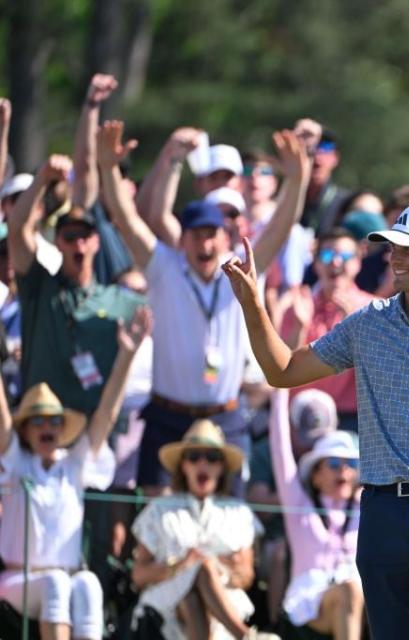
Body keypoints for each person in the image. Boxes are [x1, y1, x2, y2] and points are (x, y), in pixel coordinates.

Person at [222, 203, 409, 639]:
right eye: (390, 248)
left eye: (408, 249)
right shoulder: (367, 324)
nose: (394, 257)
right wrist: (252, 304)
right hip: (383, 513)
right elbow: (282, 371)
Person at [96, 120, 309, 493]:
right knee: (156, 512)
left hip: (224, 416)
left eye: (212, 236)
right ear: (184, 237)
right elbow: (127, 219)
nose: (205, 246)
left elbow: (280, 227)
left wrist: (296, 179)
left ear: (224, 236)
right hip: (168, 415)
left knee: (232, 523)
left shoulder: (239, 270)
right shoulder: (164, 266)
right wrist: (108, 169)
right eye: (197, 236)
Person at [0, 305, 150, 640]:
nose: (47, 426)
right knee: (56, 583)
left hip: (65, 580)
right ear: (25, 428)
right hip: (15, 581)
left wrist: (126, 355)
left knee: (89, 583)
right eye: (37, 419)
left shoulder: (73, 463)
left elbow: (107, 416)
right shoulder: (15, 461)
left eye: (54, 420)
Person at [8, 154, 144, 415]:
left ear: (97, 242)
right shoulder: (39, 287)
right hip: (41, 426)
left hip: (95, 432)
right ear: (57, 242)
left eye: (85, 236)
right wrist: (42, 178)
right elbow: (17, 228)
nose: (78, 244)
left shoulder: (121, 301)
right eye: (70, 236)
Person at [130, 419, 272, 640]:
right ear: (183, 465)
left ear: (222, 466)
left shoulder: (239, 512)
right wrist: (181, 566)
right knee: (198, 572)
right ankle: (245, 636)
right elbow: (139, 575)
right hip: (166, 605)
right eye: (194, 457)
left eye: (212, 457)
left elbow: (246, 575)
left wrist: (219, 570)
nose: (202, 464)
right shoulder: (158, 509)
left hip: (223, 603)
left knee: (194, 594)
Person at [268, 389, 363, 639]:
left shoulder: (367, 505)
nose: (343, 471)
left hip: (360, 599)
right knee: (350, 591)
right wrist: (279, 386)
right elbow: (279, 445)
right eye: (333, 464)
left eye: (351, 464)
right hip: (309, 605)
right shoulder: (299, 502)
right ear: (316, 475)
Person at [278, 229, 376, 432]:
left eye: (346, 256)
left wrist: (355, 330)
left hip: (352, 420)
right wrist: (299, 328)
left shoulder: (375, 309)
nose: (336, 263)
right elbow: (283, 371)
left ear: (358, 262)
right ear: (315, 262)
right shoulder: (298, 307)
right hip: (301, 418)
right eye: (327, 255)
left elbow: (379, 375)